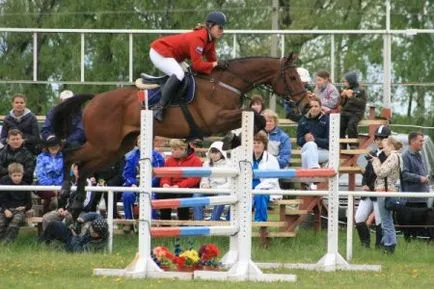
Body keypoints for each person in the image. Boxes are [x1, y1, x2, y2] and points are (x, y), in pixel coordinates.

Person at [149, 11, 227, 122]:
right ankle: (159, 107)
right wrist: (215, 64)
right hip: (159, 52)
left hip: (173, 56)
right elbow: (198, 65)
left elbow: (212, 60)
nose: (222, 31)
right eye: (220, 28)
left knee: (188, 73)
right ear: (210, 26)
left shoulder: (210, 40)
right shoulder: (199, 38)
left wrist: (219, 65)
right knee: (179, 74)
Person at [355, 125, 391, 248]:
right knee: (359, 218)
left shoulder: (390, 155)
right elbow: (367, 172)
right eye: (377, 138)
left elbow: (382, 174)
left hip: (380, 191)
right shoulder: (372, 153)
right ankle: (365, 244)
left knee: (380, 221)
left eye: (382, 138)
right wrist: (364, 184)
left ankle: (379, 246)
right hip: (369, 191)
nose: (379, 141)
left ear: (388, 139)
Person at [122, 136, 165, 230]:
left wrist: (146, 185)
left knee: (150, 196)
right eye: (140, 141)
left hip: (152, 186)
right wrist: (133, 184)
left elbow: (157, 175)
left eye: (145, 141)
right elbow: (127, 175)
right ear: (137, 143)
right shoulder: (132, 157)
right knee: (127, 195)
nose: (142, 144)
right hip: (136, 185)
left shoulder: (157, 157)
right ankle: (129, 222)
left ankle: (152, 224)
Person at [371, 136, 403, 254]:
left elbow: (381, 172)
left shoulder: (393, 156)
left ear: (390, 146)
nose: (383, 149)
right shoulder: (397, 156)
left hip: (385, 190)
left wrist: (376, 162)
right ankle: (389, 243)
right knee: (387, 219)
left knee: (386, 220)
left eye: (384, 147)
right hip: (388, 189)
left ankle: (389, 245)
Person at [158, 139, 202, 220]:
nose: (172, 151)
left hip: (188, 188)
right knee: (163, 195)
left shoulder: (195, 160)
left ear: (183, 149)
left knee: (183, 196)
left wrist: (179, 186)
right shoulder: (169, 160)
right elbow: (165, 175)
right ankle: (165, 224)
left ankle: (183, 224)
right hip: (172, 188)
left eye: (174, 149)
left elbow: (194, 179)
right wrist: (165, 184)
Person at [296, 97, 329, 190]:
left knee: (308, 151)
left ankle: (307, 181)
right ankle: (314, 173)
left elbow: (329, 142)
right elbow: (299, 141)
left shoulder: (327, 120)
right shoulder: (303, 120)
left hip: (323, 152)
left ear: (320, 107)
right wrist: (305, 139)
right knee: (310, 146)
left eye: (316, 106)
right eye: (311, 106)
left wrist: (315, 140)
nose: (313, 108)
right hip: (307, 148)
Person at [38, 212, 108, 253]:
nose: (90, 230)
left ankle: (49, 248)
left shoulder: (97, 244)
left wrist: (75, 236)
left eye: (93, 231)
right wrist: (83, 218)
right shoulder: (100, 221)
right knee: (54, 225)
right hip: (76, 235)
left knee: (69, 248)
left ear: (98, 234)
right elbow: (95, 215)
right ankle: (39, 245)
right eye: (91, 227)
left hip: (74, 243)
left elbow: (77, 251)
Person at [252, 131, 280, 223]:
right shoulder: (246, 158)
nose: (256, 145)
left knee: (260, 194)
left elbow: (273, 180)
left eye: (259, 143)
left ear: (264, 144)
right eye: (254, 143)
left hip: (266, 189)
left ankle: (260, 222)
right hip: (248, 188)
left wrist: (257, 188)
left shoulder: (271, 159)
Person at [199, 141, 232, 221]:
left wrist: (217, 188)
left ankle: (214, 221)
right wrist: (204, 185)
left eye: (216, 152)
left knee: (221, 197)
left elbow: (230, 183)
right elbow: (204, 178)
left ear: (221, 153)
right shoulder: (207, 164)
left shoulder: (229, 164)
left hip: (223, 190)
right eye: (212, 152)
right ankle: (198, 222)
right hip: (209, 189)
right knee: (196, 195)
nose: (213, 155)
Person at [0, 163, 32, 243]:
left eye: (19, 175)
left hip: (19, 211)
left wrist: (24, 207)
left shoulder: (25, 186)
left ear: (22, 175)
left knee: (15, 222)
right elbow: (2, 201)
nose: (17, 178)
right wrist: (5, 210)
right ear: (10, 175)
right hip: (7, 210)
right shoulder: (6, 186)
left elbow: (29, 204)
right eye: (14, 175)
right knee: (1, 223)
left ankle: (7, 243)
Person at [34, 135, 64, 214]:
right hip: (43, 185)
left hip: (60, 185)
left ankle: (55, 217)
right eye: (51, 146)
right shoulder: (41, 157)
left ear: (59, 146)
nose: (54, 147)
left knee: (63, 193)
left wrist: (57, 185)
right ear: (47, 146)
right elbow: (40, 173)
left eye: (56, 145)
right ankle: (47, 217)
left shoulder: (64, 157)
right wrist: (51, 186)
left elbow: (65, 173)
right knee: (50, 195)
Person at [401, 132, 430, 208]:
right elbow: (404, 174)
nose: (422, 143)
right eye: (420, 141)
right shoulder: (405, 156)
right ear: (413, 141)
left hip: (422, 198)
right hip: (412, 200)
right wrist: (420, 178)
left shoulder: (419, 155)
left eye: (423, 141)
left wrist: (425, 178)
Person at [339, 72, 367, 148]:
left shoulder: (361, 90)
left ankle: (353, 144)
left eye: (345, 81)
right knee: (340, 124)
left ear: (351, 81)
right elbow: (342, 105)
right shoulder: (347, 90)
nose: (344, 83)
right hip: (346, 113)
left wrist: (351, 97)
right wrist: (342, 97)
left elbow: (361, 103)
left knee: (351, 124)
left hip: (356, 113)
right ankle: (342, 144)